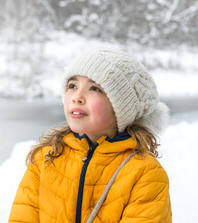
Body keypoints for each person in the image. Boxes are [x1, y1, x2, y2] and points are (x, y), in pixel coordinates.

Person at [9, 49, 172, 222]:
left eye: (94, 88)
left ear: (122, 108)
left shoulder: (145, 173)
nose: (77, 97)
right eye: (72, 86)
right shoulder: (46, 158)